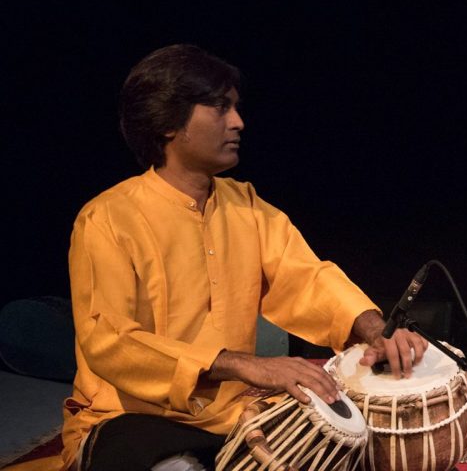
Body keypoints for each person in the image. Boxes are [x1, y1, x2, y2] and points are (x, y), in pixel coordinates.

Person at [60, 44, 429, 471]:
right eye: (220, 108)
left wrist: (375, 330)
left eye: (236, 107)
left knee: (356, 442)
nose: (238, 122)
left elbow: (307, 278)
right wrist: (244, 365)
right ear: (166, 122)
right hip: (134, 416)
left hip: (236, 411)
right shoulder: (107, 219)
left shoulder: (247, 206)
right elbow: (110, 341)